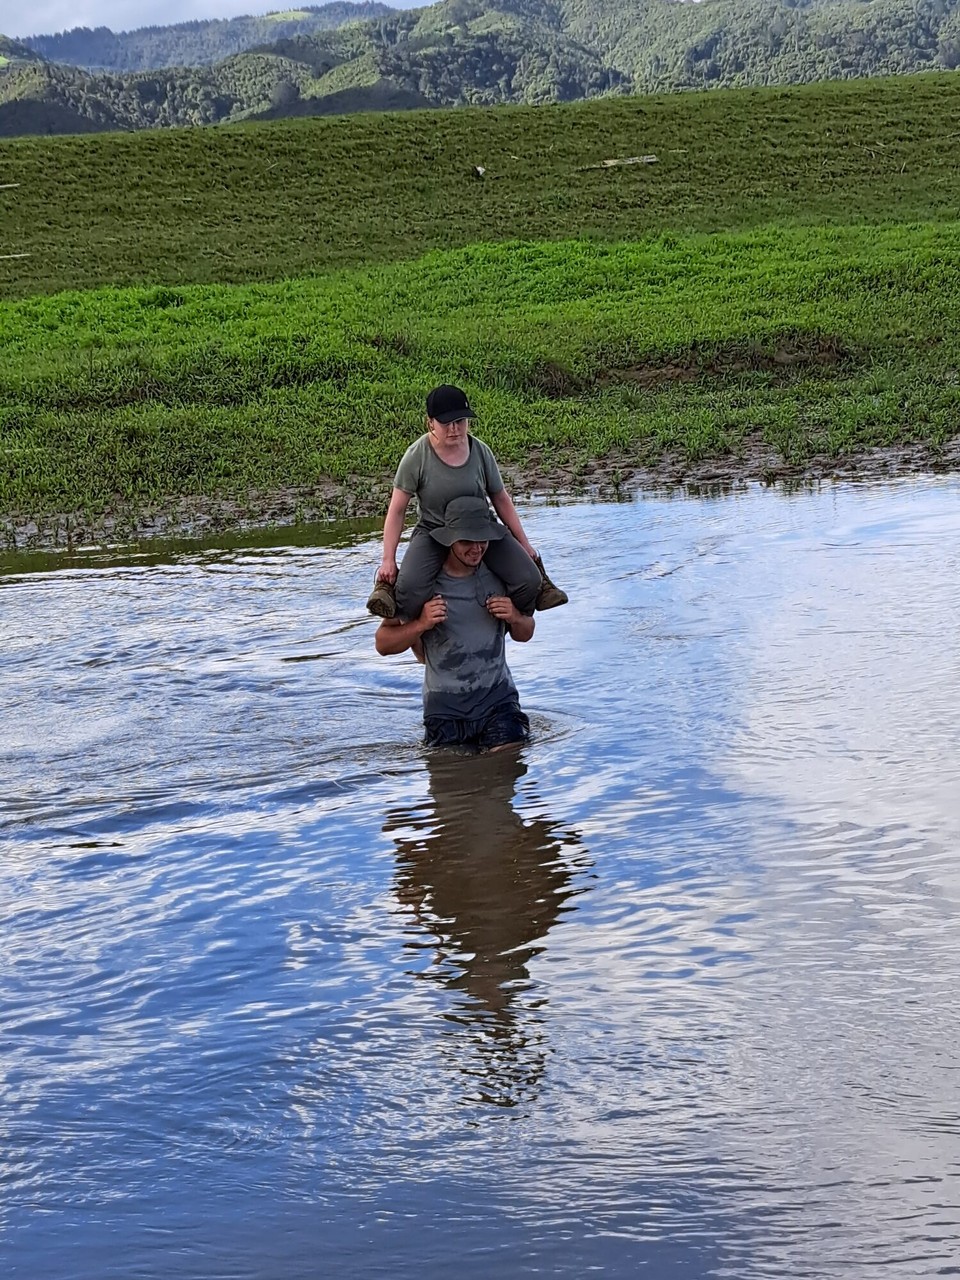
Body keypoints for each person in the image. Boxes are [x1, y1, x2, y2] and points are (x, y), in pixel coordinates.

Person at [366, 383, 567, 620]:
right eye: (446, 423)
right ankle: (395, 602)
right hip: (435, 530)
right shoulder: (416, 456)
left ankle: (508, 620)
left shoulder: (481, 452)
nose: (454, 429)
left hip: (480, 529)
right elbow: (397, 511)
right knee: (409, 590)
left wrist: (525, 543)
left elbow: (500, 498)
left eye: (460, 421)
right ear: (430, 422)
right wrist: (388, 559)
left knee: (529, 579)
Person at [374, 496, 535, 751]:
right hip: (444, 710)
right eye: (466, 541)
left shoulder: (501, 575)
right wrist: (421, 624)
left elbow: (526, 633)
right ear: (448, 540)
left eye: (482, 539)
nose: (476, 548)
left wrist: (515, 616)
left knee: (506, 766)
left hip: (498, 702)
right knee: (451, 782)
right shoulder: (420, 586)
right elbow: (382, 643)